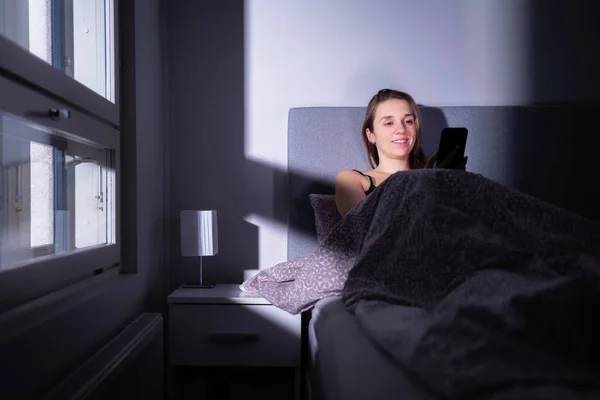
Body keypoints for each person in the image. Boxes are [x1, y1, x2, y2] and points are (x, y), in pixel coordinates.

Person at [335, 89, 466, 216]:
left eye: (408, 121)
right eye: (389, 123)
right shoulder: (350, 179)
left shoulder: (432, 178)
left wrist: (449, 186)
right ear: (371, 135)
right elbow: (362, 230)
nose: (401, 129)